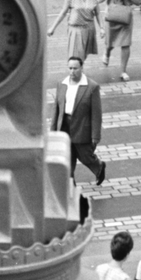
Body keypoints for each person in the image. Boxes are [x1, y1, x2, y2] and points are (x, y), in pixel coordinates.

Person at [51, 54, 106, 187]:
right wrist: (53, 131)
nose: (72, 71)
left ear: (82, 68)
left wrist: (95, 135)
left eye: (75, 68)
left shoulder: (91, 87)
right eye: (70, 68)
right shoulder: (62, 84)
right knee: (67, 158)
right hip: (65, 126)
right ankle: (70, 185)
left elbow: (96, 113)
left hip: (82, 127)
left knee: (85, 156)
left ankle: (99, 167)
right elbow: (57, 109)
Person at [96, 0, 139, 81]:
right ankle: (107, 52)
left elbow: (138, 1)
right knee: (110, 42)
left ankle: (123, 71)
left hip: (125, 18)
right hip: (112, 18)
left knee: (125, 44)